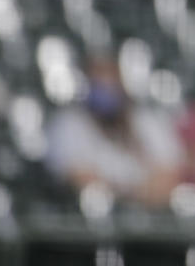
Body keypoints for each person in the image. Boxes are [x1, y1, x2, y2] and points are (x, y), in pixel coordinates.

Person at [45, 54, 184, 206]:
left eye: (110, 77)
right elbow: (82, 182)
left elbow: (170, 175)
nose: (105, 84)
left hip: (151, 216)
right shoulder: (68, 123)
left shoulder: (146, 120)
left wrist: (134, 194)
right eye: (98, 78)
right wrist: (133, 195)